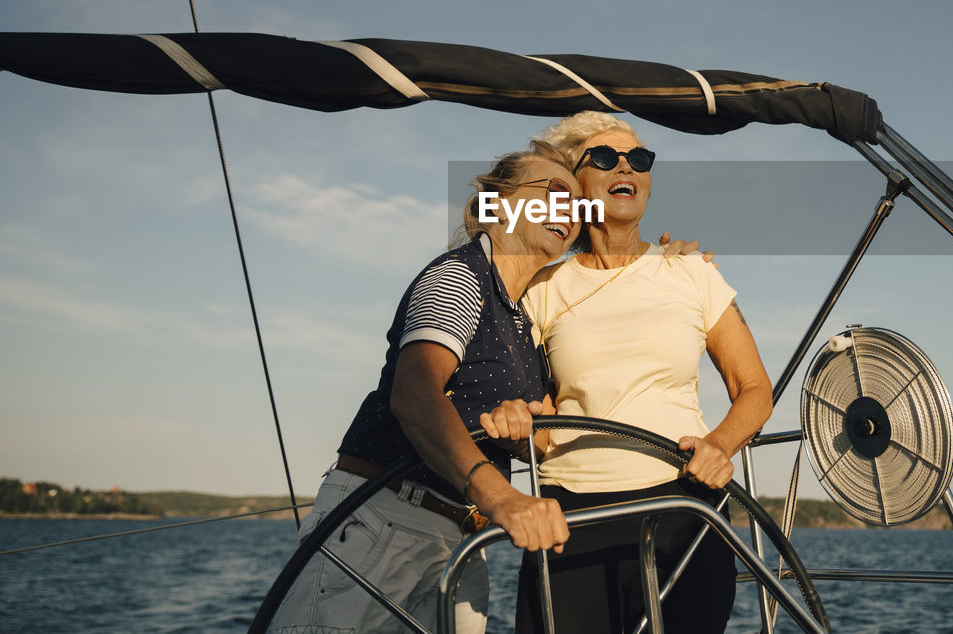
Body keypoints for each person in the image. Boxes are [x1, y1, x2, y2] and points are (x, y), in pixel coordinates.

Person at [268, 141, 579, 634]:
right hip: (382, 520)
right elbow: (414, 395)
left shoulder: (523, 320)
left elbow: (539, 439)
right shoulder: (459, 276)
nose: (570, 210)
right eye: (554, 192)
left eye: (578, 205)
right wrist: (503, 498)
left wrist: (519, 433)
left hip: (457, 542)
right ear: (498, 202)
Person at [511, 111, 773, 634]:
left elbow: (754, 389)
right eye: (605, 158)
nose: (625, 166)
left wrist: (720, 444)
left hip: (683, 509)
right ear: (574, 181)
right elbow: (529, 416)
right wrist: (526, 433)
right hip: (572, 520)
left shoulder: (691, 271)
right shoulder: (542, 287)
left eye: (639, 159)